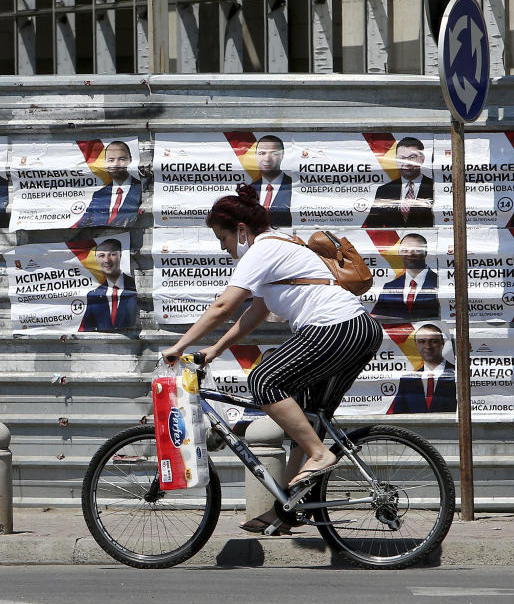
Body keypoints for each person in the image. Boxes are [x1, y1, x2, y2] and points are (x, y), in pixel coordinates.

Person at [160, 185, 382, 536]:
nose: (223, 247)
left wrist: (180, 344)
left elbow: (224, 306)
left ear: (242, 230)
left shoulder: (263, 249)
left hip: (334, 327)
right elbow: (255, 312)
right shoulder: (283, 245)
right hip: (360, 330)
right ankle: (289, 509)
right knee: (311, 416)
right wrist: (215, 350)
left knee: (263, 380)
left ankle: (320, 455)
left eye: (223, 238)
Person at [363, 137, 434, 228]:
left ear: (422, 159)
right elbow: (372, 226)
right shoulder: (384, 191)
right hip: (393, 242)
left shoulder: (434, 187)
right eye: (402, 158)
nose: (406, 162)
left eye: (412, 157)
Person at [387, 324, 456, 414]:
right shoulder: (407, 380)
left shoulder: (458, 374)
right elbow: (398, 415)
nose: (428, 346)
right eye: (422, 341)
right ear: (416, 344)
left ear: (442, 343)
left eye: (433, 341)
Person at [370, 233, 439, 320]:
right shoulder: (389, 287)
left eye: (416, 250)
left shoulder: (441, 283)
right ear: (399, 253)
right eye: (405, 250)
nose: (410, 254)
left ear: (425, 252)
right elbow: (378, 319)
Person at [75, 141, 142, 228]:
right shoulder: (99, 195)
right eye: (111, 160)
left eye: (121, 159)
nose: (115, 164)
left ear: (130, 160)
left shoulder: (142, 190)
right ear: (105, 163)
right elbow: (83, 225)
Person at [79, 238, 138, 331]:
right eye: (101, 255)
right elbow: (87, 330)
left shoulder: (137, 287)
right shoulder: (93, 295)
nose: (107, 260)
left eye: (112, 254)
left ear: (121, 255)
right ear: (96, 260)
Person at [241, 135, 292, 227]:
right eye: (262, 153)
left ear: (282, 155)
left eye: (274, 153)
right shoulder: (248, 191)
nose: (267, 159)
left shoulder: (295, 187)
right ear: (255, 155)